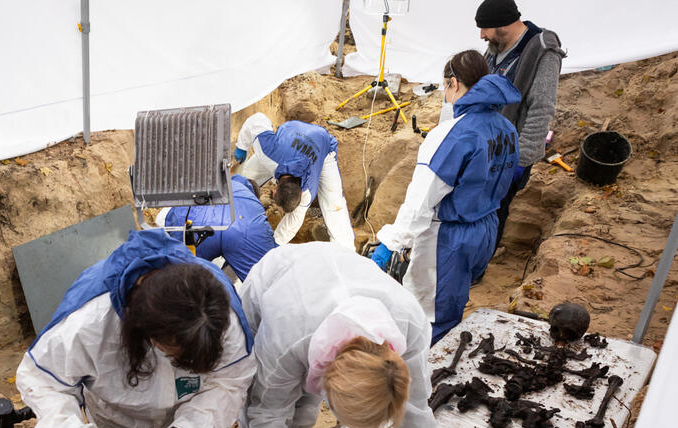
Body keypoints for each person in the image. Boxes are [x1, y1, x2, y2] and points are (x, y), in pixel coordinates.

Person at [233, 242, 479, 428]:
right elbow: (267, 410)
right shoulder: (286, 337)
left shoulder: (409, 325)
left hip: (335, 283)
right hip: (277, 284)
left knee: (301, 418)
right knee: (267, 410)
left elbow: (414, 410)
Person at [16, 229, 256, 428]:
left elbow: (231, 379)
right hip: (118, 414)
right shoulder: (88, 319)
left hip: (193, 406)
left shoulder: (219, 312)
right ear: (145, 331)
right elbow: (43, 378)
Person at [370, 51, 520, 344]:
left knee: (429, 316)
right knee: (453, 300)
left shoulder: (450, 135)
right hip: (486, 228)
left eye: (444, 86)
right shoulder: (506, 128)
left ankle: (423, 376)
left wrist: (391, 243)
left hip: (449, 236)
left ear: (453, 83)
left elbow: (421, 200)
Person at [475, 0, 565, 250]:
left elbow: (541, 108)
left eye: (484, 28)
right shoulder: (497, 45)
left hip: (510, 152)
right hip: (484, 144)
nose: (481, 35)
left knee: (494, 210)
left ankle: (480, 263)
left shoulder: (542, 50)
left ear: (502, 24)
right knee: (475, 205)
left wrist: (520, 158)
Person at [233, 113, 356, 250]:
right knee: (244, 178)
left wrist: (275, 245)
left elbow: (293, 222)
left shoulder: (307, 192)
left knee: (334, 205)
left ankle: (346, 252)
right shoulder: (268, 151)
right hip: (289, 140)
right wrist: (242, 146)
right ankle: (232, 217)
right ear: (274, 190)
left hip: (324, 148)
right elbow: (257, 119)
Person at [156, 174, 277, 281]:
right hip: (190, 240)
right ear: (254, 196)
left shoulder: (227, 183)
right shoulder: (251, 215)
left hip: (167, 215)